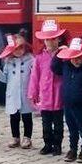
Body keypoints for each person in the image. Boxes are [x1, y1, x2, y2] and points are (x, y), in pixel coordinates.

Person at [52, 38, 82, 163]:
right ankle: (72, 149)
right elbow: (54, 67)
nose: (76, 60)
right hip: (68, 104)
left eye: (79, 57)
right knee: (72, 128)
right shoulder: (65, 65)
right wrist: (58, 54)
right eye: (73, 57)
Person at [28, 19, 66, 156]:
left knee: (58, 123)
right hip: (45, 96)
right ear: (43, 41)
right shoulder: (39, 57)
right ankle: (47, 144)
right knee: (46, 123)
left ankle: (57, 145)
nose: (50, 42)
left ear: (58, 39)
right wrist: (32, 93)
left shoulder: (63, 56)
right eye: (47, 39)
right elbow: (34, 77)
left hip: (58, 96)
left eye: (53, 39)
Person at [0, 31, 34, 149]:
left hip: (25, 93)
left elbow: (34, 75)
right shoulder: (8, 62)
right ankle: (15, 137)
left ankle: (27, 137)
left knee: (26, 117)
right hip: (13, 94)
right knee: (14, 117)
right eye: (15, 48)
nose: (18, 50)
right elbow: (5, 79)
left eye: (21, 47)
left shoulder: (30, 59)